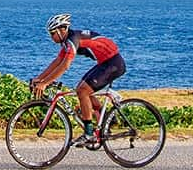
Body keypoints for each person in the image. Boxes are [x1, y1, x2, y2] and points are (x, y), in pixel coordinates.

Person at [31, 13, 126, 149]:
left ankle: (88, 134)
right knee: (82, 89)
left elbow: (65, 65)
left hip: (113, 63)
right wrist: (39, 78)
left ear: (62, 30)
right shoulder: (67, 42)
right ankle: (106, 120)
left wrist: (45, 83)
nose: (51, 37)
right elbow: (57, 61)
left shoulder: (73, 39)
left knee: (83, 91)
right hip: (106, 63)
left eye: (53, 33)